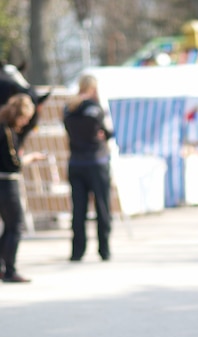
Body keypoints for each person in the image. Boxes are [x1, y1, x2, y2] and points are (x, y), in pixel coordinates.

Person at [63, 74, 113, 262]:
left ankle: (77, 251)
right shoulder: (95, 107)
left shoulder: (68, 107)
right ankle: (104, 249)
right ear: (93, 88)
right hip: (96, 161)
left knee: (78, 210)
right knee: (102, 207)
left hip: (76, 162)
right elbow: (107, 132)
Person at [0, 93, 46, 282]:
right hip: (6, 182)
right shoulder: (7, 132)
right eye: (25, 118)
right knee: (15, 225)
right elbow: (14, 163)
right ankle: (9, 269)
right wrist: (29, 158)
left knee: (8, 227)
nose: (26, 122)